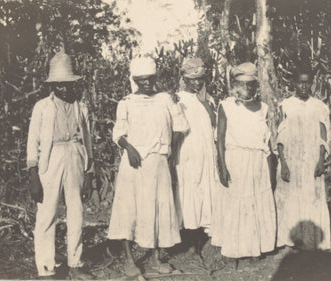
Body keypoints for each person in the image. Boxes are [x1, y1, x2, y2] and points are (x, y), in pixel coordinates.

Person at [107, 57, 189, 275]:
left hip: (158, 162)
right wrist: (130, 148)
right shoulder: (125, 102)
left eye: (149, 79)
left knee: (157, 209)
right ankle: (129, 260)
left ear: (155, 78)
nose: (146, 83)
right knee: (129, 209)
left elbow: (181, 126)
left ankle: (155, 258)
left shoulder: (165, 100)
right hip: (133, 164)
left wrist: (171, 149)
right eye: (141, 79)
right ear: (134, 79)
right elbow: (118, 133)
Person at [27, 49, 94, 280]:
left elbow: (87, 142)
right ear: (51, 86)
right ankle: (46, 267)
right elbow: (32, 142)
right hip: (51, 158)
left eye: (67, 84)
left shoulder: (80, 107)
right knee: (47, 212)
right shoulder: (42, 107)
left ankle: (76, 261)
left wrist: (90, 172)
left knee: (76, 210)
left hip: (75, 155)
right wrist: (33, 173)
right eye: (59, 84)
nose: (64, 88)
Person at [213, 62, 276, 260]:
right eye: (242, 84)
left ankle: (255, 248)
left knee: (256, 203)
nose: (246, 88)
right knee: (238, 204)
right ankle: (235, 250)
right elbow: (220, 139)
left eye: (250, 84)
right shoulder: (226, 106)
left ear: (256, 85)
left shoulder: (263, 108)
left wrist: (270, 171)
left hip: (257, 162)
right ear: (234, 85)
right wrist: (222, 166)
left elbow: (266, 144)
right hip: (236, 160)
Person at [275, 65, 331, 256]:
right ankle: (289, 239)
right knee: (291, 197)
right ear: (294, 83)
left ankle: (310, 240)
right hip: (292, 158)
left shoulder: (320, 107)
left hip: (312, 159)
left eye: (308, 82)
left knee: (311, 197)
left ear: (312, 84)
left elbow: (324, 135)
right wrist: (283, 162)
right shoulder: (286, 105)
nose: (304, 86)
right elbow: (280, 137)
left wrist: (321, 160)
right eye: (300, 82)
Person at [174, 57, 218, 257]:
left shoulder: (207, 99)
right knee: (189, 192)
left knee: (205, 190)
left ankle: (203, 238)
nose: (197, 82)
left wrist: (203, 100)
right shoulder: (177, 99)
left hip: (206, 152)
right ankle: (190, 241)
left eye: (200, 79)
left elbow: (214, 121)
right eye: (193, 79)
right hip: (188, 153)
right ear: (184, 78)